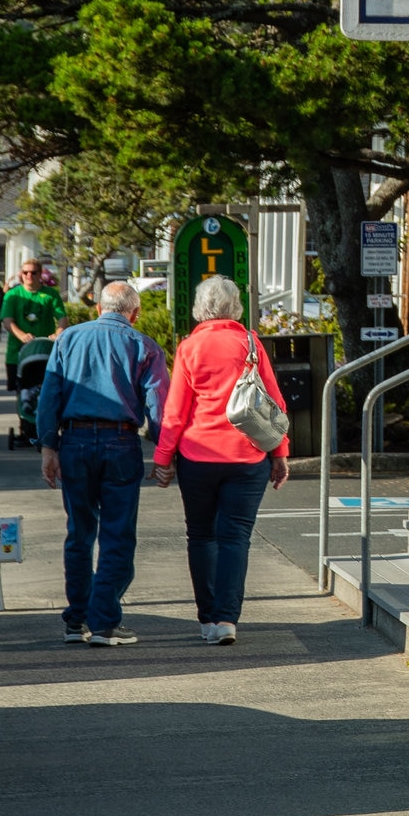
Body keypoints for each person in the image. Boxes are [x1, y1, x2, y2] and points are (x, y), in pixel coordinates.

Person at [154, 276, 289, 645]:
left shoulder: (189, 347)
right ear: (235, 307)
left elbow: (176, 411)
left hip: (198, 455)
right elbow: (273, 401)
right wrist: (280, 452)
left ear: (201, 308)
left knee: (200, 536)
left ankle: (207, 620)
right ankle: (227, 620)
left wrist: (163, 458)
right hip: (247, 455)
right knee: (235, 539)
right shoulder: (250, 342)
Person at [37, 280, 168, 646]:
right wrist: (165, 453)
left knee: (79, 532)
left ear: (98, 308)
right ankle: (104, 620)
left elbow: (50, 394)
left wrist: (48, 446)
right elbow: (158, 408)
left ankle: (76, 619)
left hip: (74, 441)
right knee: (117, 534)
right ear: (135, 313)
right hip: (121, 442)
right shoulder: (145, 346)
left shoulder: (68, 339)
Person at [1, 259, 64, 374]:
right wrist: (22, 336)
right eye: (25, 272)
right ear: (21, 274)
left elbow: (62, 318)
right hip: (17, 354)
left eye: (33, 272)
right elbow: (7, 321)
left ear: (40, 274)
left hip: (44, 352)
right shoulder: (12, 295)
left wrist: (58, 333)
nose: (29, 275)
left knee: (46, 390)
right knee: (21, 390)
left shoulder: (51, 294)